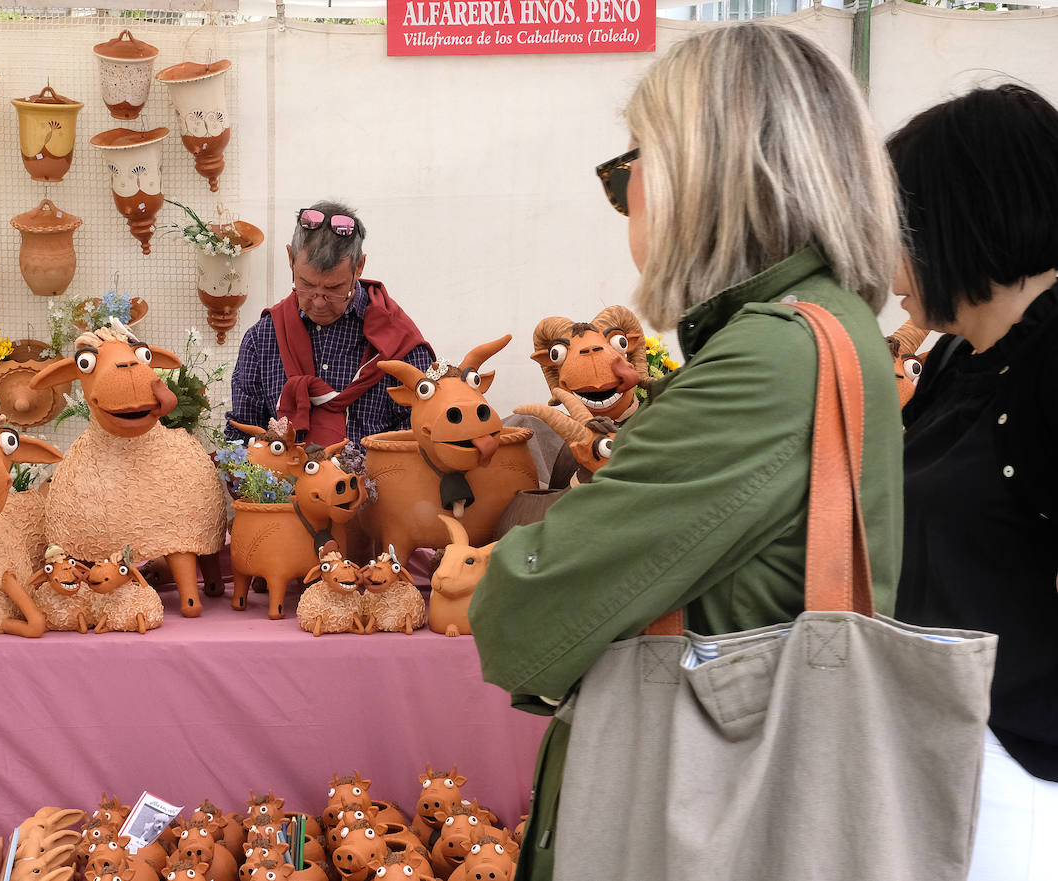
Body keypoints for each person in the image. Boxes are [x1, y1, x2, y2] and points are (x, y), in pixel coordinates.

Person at [467, 25, 904, 880]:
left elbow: (522, 609)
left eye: (630, 168)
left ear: (708, 171)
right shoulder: (822, 326)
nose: (623, 197)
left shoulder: (773, 355)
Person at [887, 84, 1058, 881]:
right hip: (942, 749)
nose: (887, 260)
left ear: (960, 216)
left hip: (1023, 773)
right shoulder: (959, 361)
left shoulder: (1047, 368)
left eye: (896, 229)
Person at [224, 201, 434, 448]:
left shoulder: (399, 342)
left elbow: (420, 436)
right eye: (306, 285)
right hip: (283, 484)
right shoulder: (261, 341)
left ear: (359, 267)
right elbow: (243, 438)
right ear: (290, 259)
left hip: (378, 484)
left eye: (333, 289)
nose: (319, 302)